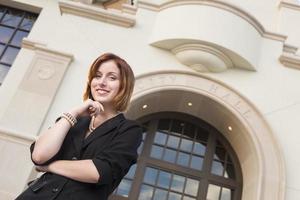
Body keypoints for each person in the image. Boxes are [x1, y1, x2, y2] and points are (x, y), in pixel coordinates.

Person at [15, 53, 142, 200]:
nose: (101, 82)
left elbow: (99, 171)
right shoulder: (72, 120)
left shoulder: (129, 130)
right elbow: (39, 156)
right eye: (97, 76)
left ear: (124, 86)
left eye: (112, 77)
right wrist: (72, 113)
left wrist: (50, 167)